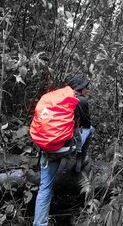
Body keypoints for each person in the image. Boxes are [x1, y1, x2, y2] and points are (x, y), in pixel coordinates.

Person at [31, 76, 93, 226]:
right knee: (90, 130)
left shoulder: (54, 97)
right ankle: (79, 162)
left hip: (47, 148)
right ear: (79, 89)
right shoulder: (80, 101)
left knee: (44, 188)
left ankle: (39, 224)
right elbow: (86, 123)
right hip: (64, 148)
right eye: (85, 87)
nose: (86, 90)